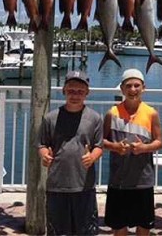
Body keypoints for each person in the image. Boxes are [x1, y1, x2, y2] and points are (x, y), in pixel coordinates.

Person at [37, 70, 103, 236]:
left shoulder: (95, 118)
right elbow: (42, 144)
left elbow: (99, 146)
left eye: (80, 92)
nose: (75, 95)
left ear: (87, 93)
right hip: (56, 185)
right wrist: (44, 155)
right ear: (64, 91)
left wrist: (93, 156)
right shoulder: (50, 118)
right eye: (71, 91)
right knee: (56, 231)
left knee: (86, 231)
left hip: (84, 185)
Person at [103, 68, 162, 236]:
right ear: (122, 89)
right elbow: (101, 141)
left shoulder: (151, 113)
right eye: (128, 86)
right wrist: (115, 147)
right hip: (118, 180)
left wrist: (144, 148)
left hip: (143, 180)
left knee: (143, 227)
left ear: (144, 88)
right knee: (119, 226)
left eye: (137, 85)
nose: (132, 90)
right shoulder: (112, 113)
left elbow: (159, 142)